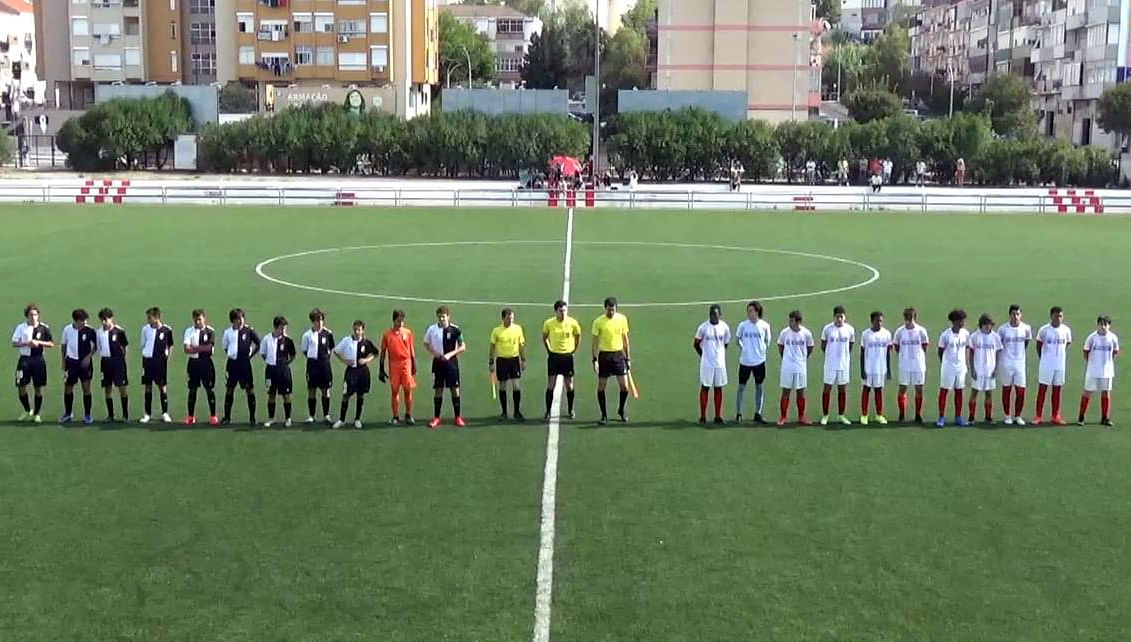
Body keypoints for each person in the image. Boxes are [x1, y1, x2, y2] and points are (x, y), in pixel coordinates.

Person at [424, 305, 467, 429]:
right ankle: (436, 418)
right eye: (439, 317)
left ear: (448, 316)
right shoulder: (432, 329)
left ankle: (458, 417)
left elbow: (463, 346)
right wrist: (435, 354)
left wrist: (450, 354)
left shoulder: (455, 330)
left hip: (451, 364)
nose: (441, 319)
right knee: (438, 389)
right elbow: (426, 344)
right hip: (438, 363)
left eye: (443, 317)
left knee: (455, 389)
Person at [591, 297, 631, 425]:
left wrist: (628, 358)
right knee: (602, 386)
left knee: (624, 387)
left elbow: (625, 340)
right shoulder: (598, 322)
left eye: (613, 310)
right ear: (605, 308)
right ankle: (604, 415)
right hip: (604, 356)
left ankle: (621, 410)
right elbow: (595, 342)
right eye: (609, 310)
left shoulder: (622, 319)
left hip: (618, 355)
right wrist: (595, 360)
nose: (611, 312)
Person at [11, 303, 53, 423]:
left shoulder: (44, 328)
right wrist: (26, 343)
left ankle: (37, 413)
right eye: (31, 315)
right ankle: (27, 410)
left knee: (38, 388)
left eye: (35, 314)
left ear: (38, 315)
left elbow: (51, 343)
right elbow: (14, 343)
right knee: (21, 386)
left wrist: (39, 343)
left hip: (38, 360)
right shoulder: (21, 327)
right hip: (24, 360)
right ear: (27, 316)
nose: (33, 317)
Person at [333, 320, 377, 430]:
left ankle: (357, 419)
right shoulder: (347, 340)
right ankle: (341, 420)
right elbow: (336, 351)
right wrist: (345, 361)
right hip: (351, 372)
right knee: (346, 395)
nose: (357, 332)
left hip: (362, 372)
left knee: (360, 395)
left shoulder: (366, 343)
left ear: (363, 331)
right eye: (355, 329)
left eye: (359, 330)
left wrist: (366, 360)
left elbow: (375, 353)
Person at [542, 300, 581, 421]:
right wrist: (549, 350)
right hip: (554, 357)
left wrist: (574, 349)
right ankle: (548, 411)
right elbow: (545, 337)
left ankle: (570, 409)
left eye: (565, 310)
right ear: (556, 311)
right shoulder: (549, 323)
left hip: (567, 357)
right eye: (560, 311)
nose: (563, 313)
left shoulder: (573, 323)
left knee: (569, 386)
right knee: (551, 385)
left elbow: (578, 335)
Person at [221, 308, 261, 426]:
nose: (241, 320)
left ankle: (252, 418)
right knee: (229, 389)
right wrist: (232, 355)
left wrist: (250, 355)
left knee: (249, 390)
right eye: (238, 319)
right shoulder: (228, 332)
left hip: (245, 365)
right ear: (233, 320)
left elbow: (258, 344)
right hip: (232, 364)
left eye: (242, 318)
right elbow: (225, 347)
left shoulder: (249, 331)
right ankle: (227, 417)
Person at [694, 304, 731, 426]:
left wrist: (719, 354)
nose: (714, 316)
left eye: (716, 314)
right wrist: (704, 355)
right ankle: (703, 416)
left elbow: (726, 343)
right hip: (707, 364)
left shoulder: (724, 327)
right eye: (712, 314)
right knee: (705, 387)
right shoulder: (703, 328)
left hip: (720, 363)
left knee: (718, 388)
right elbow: (696, 344)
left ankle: (718, 416)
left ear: (720, 315)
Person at [734, 300, 771, 424]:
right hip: (745, 361)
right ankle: (739, 413)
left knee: (759, 386)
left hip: (759, 362)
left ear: (757, 312)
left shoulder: (765, 326)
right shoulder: (743, 325)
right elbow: (738, 339)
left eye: (751, 311)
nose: (749, 313)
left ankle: (758, 413)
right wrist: (744, 348)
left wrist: (761, 351)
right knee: (741, 387)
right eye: (748, 311)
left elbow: (767, 340)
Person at [1078, 315, 1119, 426]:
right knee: (1087, 392)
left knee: (1106, 392)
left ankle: (1105, 418)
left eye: (1105, 324)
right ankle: (1081, 417)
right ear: (1098, 325)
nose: (1103, 327)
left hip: (1107, 371)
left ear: (1109, 326)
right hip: (1093, 371)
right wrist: (1092, 363)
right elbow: (1085, 352)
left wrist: (1108, 363)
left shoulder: (1113, 338)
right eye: (1101, 324)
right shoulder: (1092, 338)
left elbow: (1115, 351)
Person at [378, 309, 417, 425]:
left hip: (406, 363)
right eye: (398, 321)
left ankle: (408, 415)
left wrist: (414, 364)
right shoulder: (387, 335)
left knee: (408, 390)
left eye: (402, 321)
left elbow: (411, 349)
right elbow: (383, 352)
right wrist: (381, 369)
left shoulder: (408, 333)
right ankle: (395, 416)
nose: (401, 323)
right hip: (394, 365)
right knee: (394, 391)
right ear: (394, 320)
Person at [1034, 306, 1072, 425]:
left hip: (1060, 365)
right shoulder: (1044, 330)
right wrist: (1044, 358)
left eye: (1060, 316)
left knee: (1057, 389)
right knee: (1042, 389)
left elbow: (1067, 344)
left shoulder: (1066, 330)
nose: (1058, 318)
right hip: (1046, 364)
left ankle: (1056, 416)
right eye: (1056, 316)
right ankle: (1038, 416)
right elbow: (1038, 345)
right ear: (1051, 316)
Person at [60, 308, 97, 425]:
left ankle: (87, 415)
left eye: (85, 320)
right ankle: (68, 413)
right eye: (83, 320)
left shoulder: (90, 330)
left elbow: (96, 346)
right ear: (76, 321)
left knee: (86, 388)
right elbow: (63, 345)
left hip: (84, 364)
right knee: (68, 387)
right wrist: (63, 361)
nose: (85, 322)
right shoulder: (67, 330)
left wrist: (89, 357)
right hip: (71, 363)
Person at [777, 310, 814, 426]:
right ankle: (783, 417)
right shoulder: (784, 332)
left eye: (792, 321)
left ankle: (801, 416)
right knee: (786, 392)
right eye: (790, 320)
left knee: (800, 392)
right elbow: (780, 346)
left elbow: (810, 347)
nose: (790, 323)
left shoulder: (806, 333)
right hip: (787, 366)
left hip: (800, 366)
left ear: (798, 322)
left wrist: (802, 358)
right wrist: (786, 358)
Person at [820, 305, 855, 426]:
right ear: (834, 317)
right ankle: (825, 415)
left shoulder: (850, 329)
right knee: (827, 388)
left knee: (842, 389)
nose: (839, 319)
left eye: (841, 317)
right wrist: (831, 356)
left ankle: (841, 415)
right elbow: (823, 345)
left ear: (844, 317)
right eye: (837, 317)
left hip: (844, 364)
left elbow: (850, 345)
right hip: (830, 364)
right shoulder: (827, 329)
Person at [489, 308, 527, 421]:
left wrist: (523, 360)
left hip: (514, 360)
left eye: (512, 318)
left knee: (516, 386)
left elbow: (521, 345)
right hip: (502, 360)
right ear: (503, 318)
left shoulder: (518, 329)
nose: (511, 320)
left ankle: (517, 412)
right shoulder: (496, 331)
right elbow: (492, 347)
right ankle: (504, 412)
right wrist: (491, 362)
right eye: (508, 318)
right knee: (503, 386)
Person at [997, 304, 1032, 426]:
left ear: (1021, 315)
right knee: (1006, 389)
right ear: (1009, 315)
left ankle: (1018, 416)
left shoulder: (1026, 328)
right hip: (1007, 363)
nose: (1015, 316)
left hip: (1020, 364)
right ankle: (1007, 416)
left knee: (1021, 391)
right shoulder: (1002, 329)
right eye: (1013, 314)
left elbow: (1026, 342)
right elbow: (999, 345)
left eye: (1018, 314)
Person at [183, 309, 218, 426]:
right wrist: (202, 348)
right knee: (192, 390)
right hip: (193, 364)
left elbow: (209, 348)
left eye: (199, 319)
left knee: (209, 389)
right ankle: (190, 416)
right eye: (195, 320)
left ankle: (213, 416)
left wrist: (195, 348)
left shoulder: (210, 331)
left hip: (206, 363)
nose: (197, 322)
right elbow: (186, 349)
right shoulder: (189, 331)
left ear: (204, 318)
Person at [893, 307, 929, 424]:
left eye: (910, 317)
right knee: (902, 388)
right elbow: (897, 347)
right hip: (904, 365)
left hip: (918, 365)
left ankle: (918, 414)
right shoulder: (899, 332)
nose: (908, 320)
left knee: (919, 389)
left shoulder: (921, 331)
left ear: (915, 317)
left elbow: (925, 346)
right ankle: (901, 414)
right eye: (906, 317)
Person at [936, 308, 971, 428]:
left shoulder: (966, 333)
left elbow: (967, 348)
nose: (963, 322)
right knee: (944, 391)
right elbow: (940, 351)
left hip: (961, 367)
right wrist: (945, 363)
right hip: (948, 367)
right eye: (962, 320)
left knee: (959, 391)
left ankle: (958, 416)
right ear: (955, 321)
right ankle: (941, 417)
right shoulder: (945, 335)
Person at [139, 307, 174, 424]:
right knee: (148, 386)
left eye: (150, 317)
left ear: (157, 317)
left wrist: (167, 357)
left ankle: (165, 413)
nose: (148, 320)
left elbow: (170, 345)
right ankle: (147, 414)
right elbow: (143, 344)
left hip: (160, 362)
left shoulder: (167, 330)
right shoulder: (145, 329)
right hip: (148, 361)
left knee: (162, 387)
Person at [260, 315, 296, 428]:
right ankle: (271, 418)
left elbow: (293, 355)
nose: (283, 330)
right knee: (271, 394)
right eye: (281, 328)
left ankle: (288, 418)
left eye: (285, 328)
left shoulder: (288, 340)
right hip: (270, 371)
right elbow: (263, 353)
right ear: (275, 327)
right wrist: (271, 362)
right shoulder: (266, 339)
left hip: (284, 371)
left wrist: (285, 364)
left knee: (286, 395)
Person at [300, 308, 335, 424]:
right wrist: (313, 358)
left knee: (325, 390)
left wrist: (325, 359)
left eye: (321, 320)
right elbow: (304, 350)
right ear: (312, 321)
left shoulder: (328, 333)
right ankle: (312, 415)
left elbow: (331, 348)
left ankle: (326, 415)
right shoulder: (307, 335)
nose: (319, 323)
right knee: (312, 390)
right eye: (316, 321)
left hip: (324, 365)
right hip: (312, 365)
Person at [968, 313, 1003, 424]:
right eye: (985, 324)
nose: (988, 326)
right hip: (978, 369)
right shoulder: (974, 336)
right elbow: (971, 354)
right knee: (974, 392)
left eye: (990, 324)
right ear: (981, 325)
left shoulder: (996, 337)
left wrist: (996, 369)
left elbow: (998, 354)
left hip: (990, 369)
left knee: (989, 393)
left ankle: (988, 417)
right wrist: (972, 369)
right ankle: (971, 417)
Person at [95, 307, 129, 423]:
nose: (104, 322)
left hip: (118, 362)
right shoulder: (99, 332)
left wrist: (122, 361)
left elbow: (125, 347)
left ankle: (125, 415)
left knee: (122, 388)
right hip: (105, 362)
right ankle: (110, 415)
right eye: (102, 320)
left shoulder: (119, 331)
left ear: (111, 318)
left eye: (106, 319)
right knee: (107, 388)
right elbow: (98, 347)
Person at [859, 311, 892, 426]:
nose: (880, 323)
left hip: (880, 368)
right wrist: (862, 369)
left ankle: (879, 415)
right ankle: (864, 415)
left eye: (881, 321)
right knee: (866, 390)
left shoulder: (886, 334)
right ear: (872, 321)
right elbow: (862, 353)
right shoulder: (865, 334)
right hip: (868, 367)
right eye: (878, 321)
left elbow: (888, 353)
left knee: (879, 390)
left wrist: (888, 369)